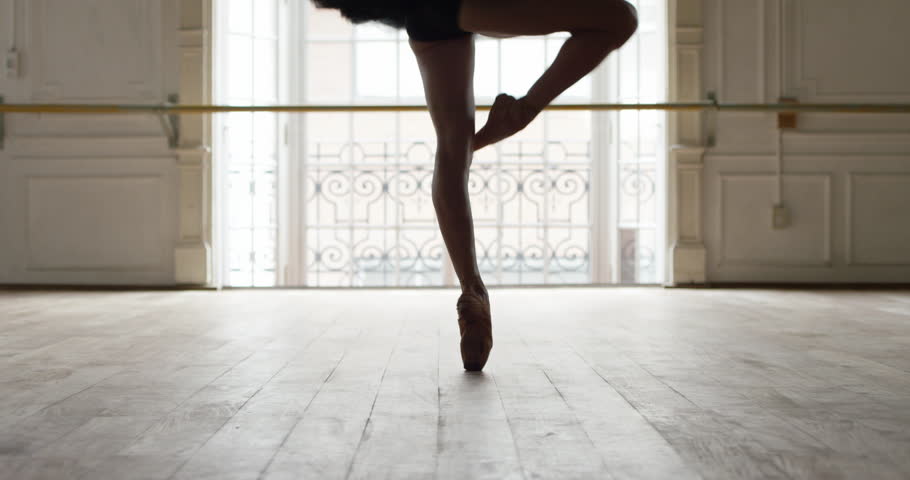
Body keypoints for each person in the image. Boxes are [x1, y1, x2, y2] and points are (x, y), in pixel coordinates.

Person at [311, 0, 639, 372]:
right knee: (620, 18)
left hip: (423, 14)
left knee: (452, 148)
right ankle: (522, 112)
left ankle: (472, 288)